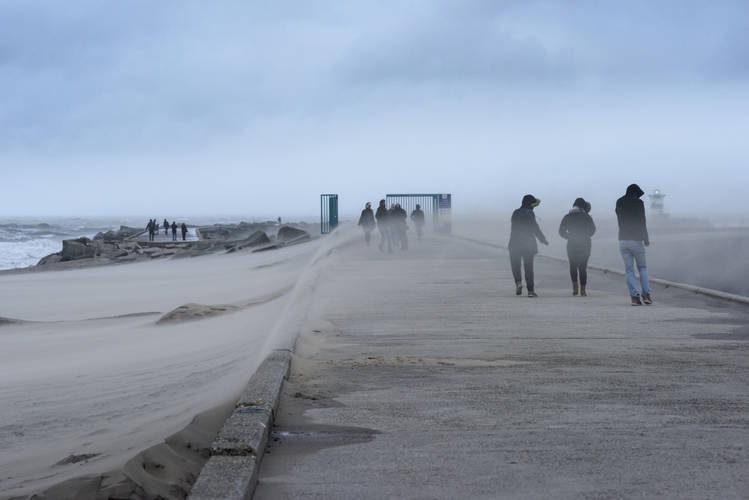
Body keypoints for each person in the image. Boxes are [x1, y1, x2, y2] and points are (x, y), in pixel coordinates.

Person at [616, 183, 652, 306]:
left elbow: (619, 218)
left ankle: (634, 298)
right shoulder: (638, 203)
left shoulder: (619, 202)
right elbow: (642, 220)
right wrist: (646, 238)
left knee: (629, 270)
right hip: (636, 240)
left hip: (623, 240)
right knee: (642, 268)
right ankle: (646, 295)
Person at [508, 194, 548, 297]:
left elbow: (514, 226)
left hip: (515, 243)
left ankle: (518, 283)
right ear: (530, 204)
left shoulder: (515, 212)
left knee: (516, 265)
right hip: (528, 244)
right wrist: (543, 240)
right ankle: (530, 291)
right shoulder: (530, 214)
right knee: (528, 267)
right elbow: (535, 228)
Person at [559, 197, 596, 296]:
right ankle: (583, 290)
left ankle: (575, 288)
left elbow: (561, 232)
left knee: (573, 266)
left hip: (571, 244)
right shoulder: (587, 217)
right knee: (583, 267)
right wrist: (586, 236)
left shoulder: (567, 216)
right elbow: (593, 230)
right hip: (585, 243)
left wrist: (570, 237)